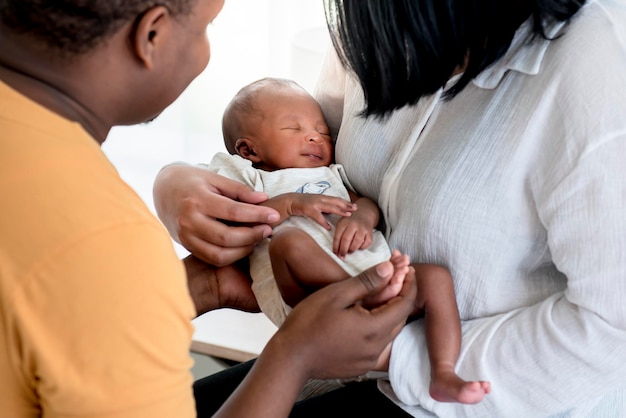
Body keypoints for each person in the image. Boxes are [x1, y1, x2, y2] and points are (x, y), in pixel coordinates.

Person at [152, 0, 626, 416]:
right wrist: (174, 185)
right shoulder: (376, 20)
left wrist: (392, 354)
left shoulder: (598, 60)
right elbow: (310, 153)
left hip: (485, 396)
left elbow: (611, 330)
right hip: (342, 357)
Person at [0, 1, 420, 418]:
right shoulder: (109, 235)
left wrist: (202, 287)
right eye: (208, 27)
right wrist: (294, 354)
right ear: (152, 36)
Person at [211, 76, 490, 403]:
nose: (315, 136)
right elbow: (230, 222)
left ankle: (443, 372)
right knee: (289, 243)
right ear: (248, 149)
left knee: (435, 277)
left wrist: (361, 217)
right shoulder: (249, 179)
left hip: (375, 273)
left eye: (322, 130)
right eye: (294, 129)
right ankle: (367, 295)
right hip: (307, 299)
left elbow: (363, 202)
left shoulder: (331, 174)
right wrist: (290, 204)